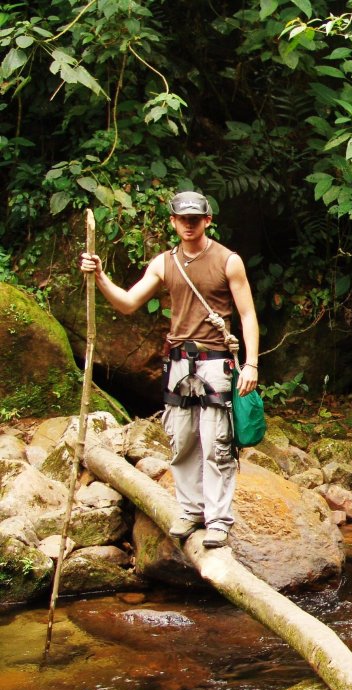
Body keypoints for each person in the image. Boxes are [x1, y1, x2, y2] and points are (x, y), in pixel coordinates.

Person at [80, 191, 259, 548]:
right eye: (183, 218)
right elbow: (129, 303)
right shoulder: (165, 263)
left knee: (217, 444)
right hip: (178, 364)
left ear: (207, 220)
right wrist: (100, 276)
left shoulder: (228, 261)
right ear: (174, 222)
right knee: (182, 442)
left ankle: (219, 520)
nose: (189, 224)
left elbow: (247, 315)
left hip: (216, 364)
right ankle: (191, 511)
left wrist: (251, 363)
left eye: (196, 218)